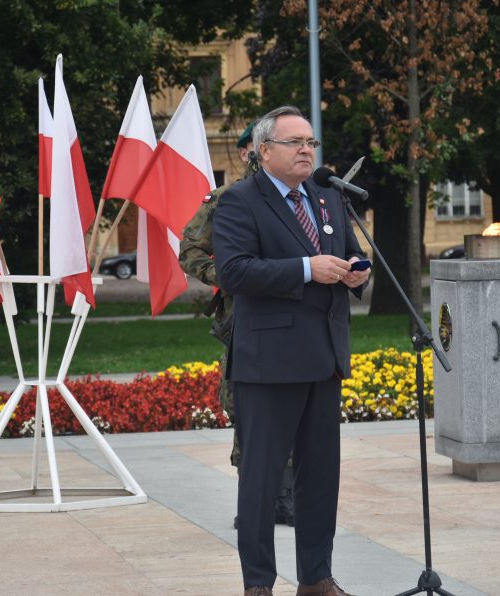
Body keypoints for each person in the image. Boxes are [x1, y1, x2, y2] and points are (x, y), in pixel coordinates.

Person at [212, 106, 370, 596]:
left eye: (311, 143)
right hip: (269, 363)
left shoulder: (326, 196)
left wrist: (355, 273)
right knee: (261, 481)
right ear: (265, 152)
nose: (307, 151)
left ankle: (316, 577)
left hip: (323, 357)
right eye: (295, 142)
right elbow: (234, 272)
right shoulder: (239, 201)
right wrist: (306, 268)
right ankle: (258, 584)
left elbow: (342, 257)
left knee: (320, 477)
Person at [179, 123, 296, 527]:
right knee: (247, 411)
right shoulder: (229, 201)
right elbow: (190, 249)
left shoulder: (300, 200)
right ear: (250, 153)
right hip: (245, 324)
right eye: (253, 149)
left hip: (296, 324)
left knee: (294, 409)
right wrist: (227, 275)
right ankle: (256, 502)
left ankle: (288, 497)